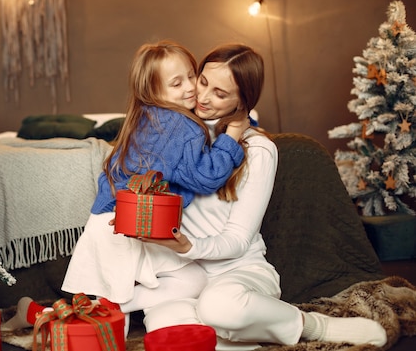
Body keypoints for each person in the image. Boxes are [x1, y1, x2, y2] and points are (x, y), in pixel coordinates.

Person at [141, 43, 387, 349]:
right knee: (163, 323)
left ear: (243, 100)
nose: (202, 97)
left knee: (219, 307)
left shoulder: (258, 149)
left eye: (220, 93)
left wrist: (188, 245)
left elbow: (238, 240)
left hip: (239, 272)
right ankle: (236, 332)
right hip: (185, 276)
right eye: (202, 82)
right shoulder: (173, 135)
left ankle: (314, 326)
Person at [2, 40, 249, 332]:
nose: (191, 88)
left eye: (191, 76)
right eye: (176, 83)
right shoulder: (180, 126)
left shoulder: (146, 117)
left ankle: (37, 313)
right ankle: (45, 315)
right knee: (115, 324)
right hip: (129, 225)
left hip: (115, 221)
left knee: (180, 284)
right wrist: (232, 136)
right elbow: (206, 177)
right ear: (154, 92)